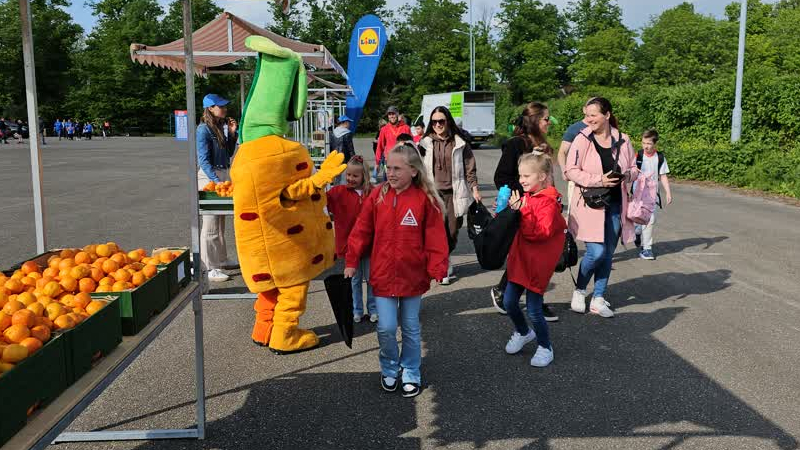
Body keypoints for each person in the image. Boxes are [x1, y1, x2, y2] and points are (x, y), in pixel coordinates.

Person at [345, 144, 449, 398]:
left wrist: (437, 266)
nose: (390, 173)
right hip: (382, 275)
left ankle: (411, 371)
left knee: (411, 327)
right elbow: (361, 229)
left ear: (413, 171)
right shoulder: (378, 195)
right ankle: (389, 368)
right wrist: (351, 260)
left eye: (397, 169)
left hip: (412, 276)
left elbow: (435, 237)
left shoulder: (424, 200)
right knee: (387, 328)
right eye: (388, 167)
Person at [565, 97, 637, 318]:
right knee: (596, 252)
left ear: (606, 115)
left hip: (615, 204)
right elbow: (570, 171)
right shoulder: (581, 139)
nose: (588, 119)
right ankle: (580, 290)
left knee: (607, 254)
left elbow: (634, 168)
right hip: (590, 204)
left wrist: (626, 175)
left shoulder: (623, 139)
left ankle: (598, 298)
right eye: (587, 115)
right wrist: (599, 180)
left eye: (593, 115)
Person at [490, 102, 559, 322]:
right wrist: (523, 196)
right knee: (525, 254)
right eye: (546, 119)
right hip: (522, 208)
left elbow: (547, 178)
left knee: (536, 254)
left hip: (543, 205)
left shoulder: (543, 145)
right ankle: (509, 293)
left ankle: (531, 299)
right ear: (535, 120)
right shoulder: (516, 144)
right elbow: (501, 177)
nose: (549, 123)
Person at [502, 153, 566, 367]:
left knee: (534, 310)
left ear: (542, 176)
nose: (521, 180)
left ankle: (545, 346)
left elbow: (540, 232)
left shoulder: (548, 203)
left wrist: (523, 211)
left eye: (526, 176)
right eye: (520, 175)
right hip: (520, 260)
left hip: (537, 265)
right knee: (508, 302)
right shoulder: (529, 196)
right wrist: (508, 211)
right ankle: (523, 332)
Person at [418, 106, 480, 285]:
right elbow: (417, 166)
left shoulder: (460, 143)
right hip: (432, 194)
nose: (438, 125)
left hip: (454, 194)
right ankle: (442, 265)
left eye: (441, 121)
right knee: (435, 231)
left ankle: (444, 257)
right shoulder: (425, 143)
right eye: (434, 122)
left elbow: (470, 168)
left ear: (448, 121)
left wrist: (475, 189)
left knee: (452, 231)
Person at [327, 155, 377, 323]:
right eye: (348, 174)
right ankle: (357, 310)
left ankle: (373, 309)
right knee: (354, 280)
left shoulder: (373, 192)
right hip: (349, 247)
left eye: (355, 175)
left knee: (371, 279)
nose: (350, 178)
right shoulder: (338, 192)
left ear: (364, 176)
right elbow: (322, 200)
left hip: (370, 246)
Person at [197, 93, 238, 283]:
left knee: (220, 221)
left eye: (224, 106)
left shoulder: (220, 127)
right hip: (209, 177)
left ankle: (221, 259)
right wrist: (215, 180)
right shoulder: (203, 130)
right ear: (210, 108)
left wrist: (232, 134)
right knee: (210, 223)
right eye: (220, 106)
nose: (224, 109)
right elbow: (203, 160)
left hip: (222, 174)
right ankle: (209, 267)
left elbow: (228, 153)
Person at [634, 129, 673, 260]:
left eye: (649, 143)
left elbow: (663, 176)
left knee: (650, 220)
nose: (645, 146)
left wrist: (668, 192)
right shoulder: (638, 156)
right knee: (640, 220)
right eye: (643, 143)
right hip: (638, 194)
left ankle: (647, 249)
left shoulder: (660, 158)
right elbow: (630, 173)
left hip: (652, 195)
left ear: (655, 144)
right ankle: (638, 232)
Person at [558, 97, 596, 206]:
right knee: (575, 207)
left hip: (596, 177)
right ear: (584, 109)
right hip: (576, 177)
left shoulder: (603, 128)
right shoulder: (574, 128)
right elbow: (562, 152)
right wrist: (564, 170)